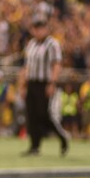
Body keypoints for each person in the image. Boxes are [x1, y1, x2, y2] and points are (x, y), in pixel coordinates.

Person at [17, 13, 70, 156]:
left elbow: (56, 65)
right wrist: (22, 85)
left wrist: (52, 83)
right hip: (32, 83)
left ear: (46, 28)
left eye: (41, 27)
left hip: (44, 83)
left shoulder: (53, 44)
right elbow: (26, 66)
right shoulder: (31, 44)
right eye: (36, 27)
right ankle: (35, 146)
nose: (38, 30)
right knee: (31, 115)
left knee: (44, 114)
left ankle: (62, 137)